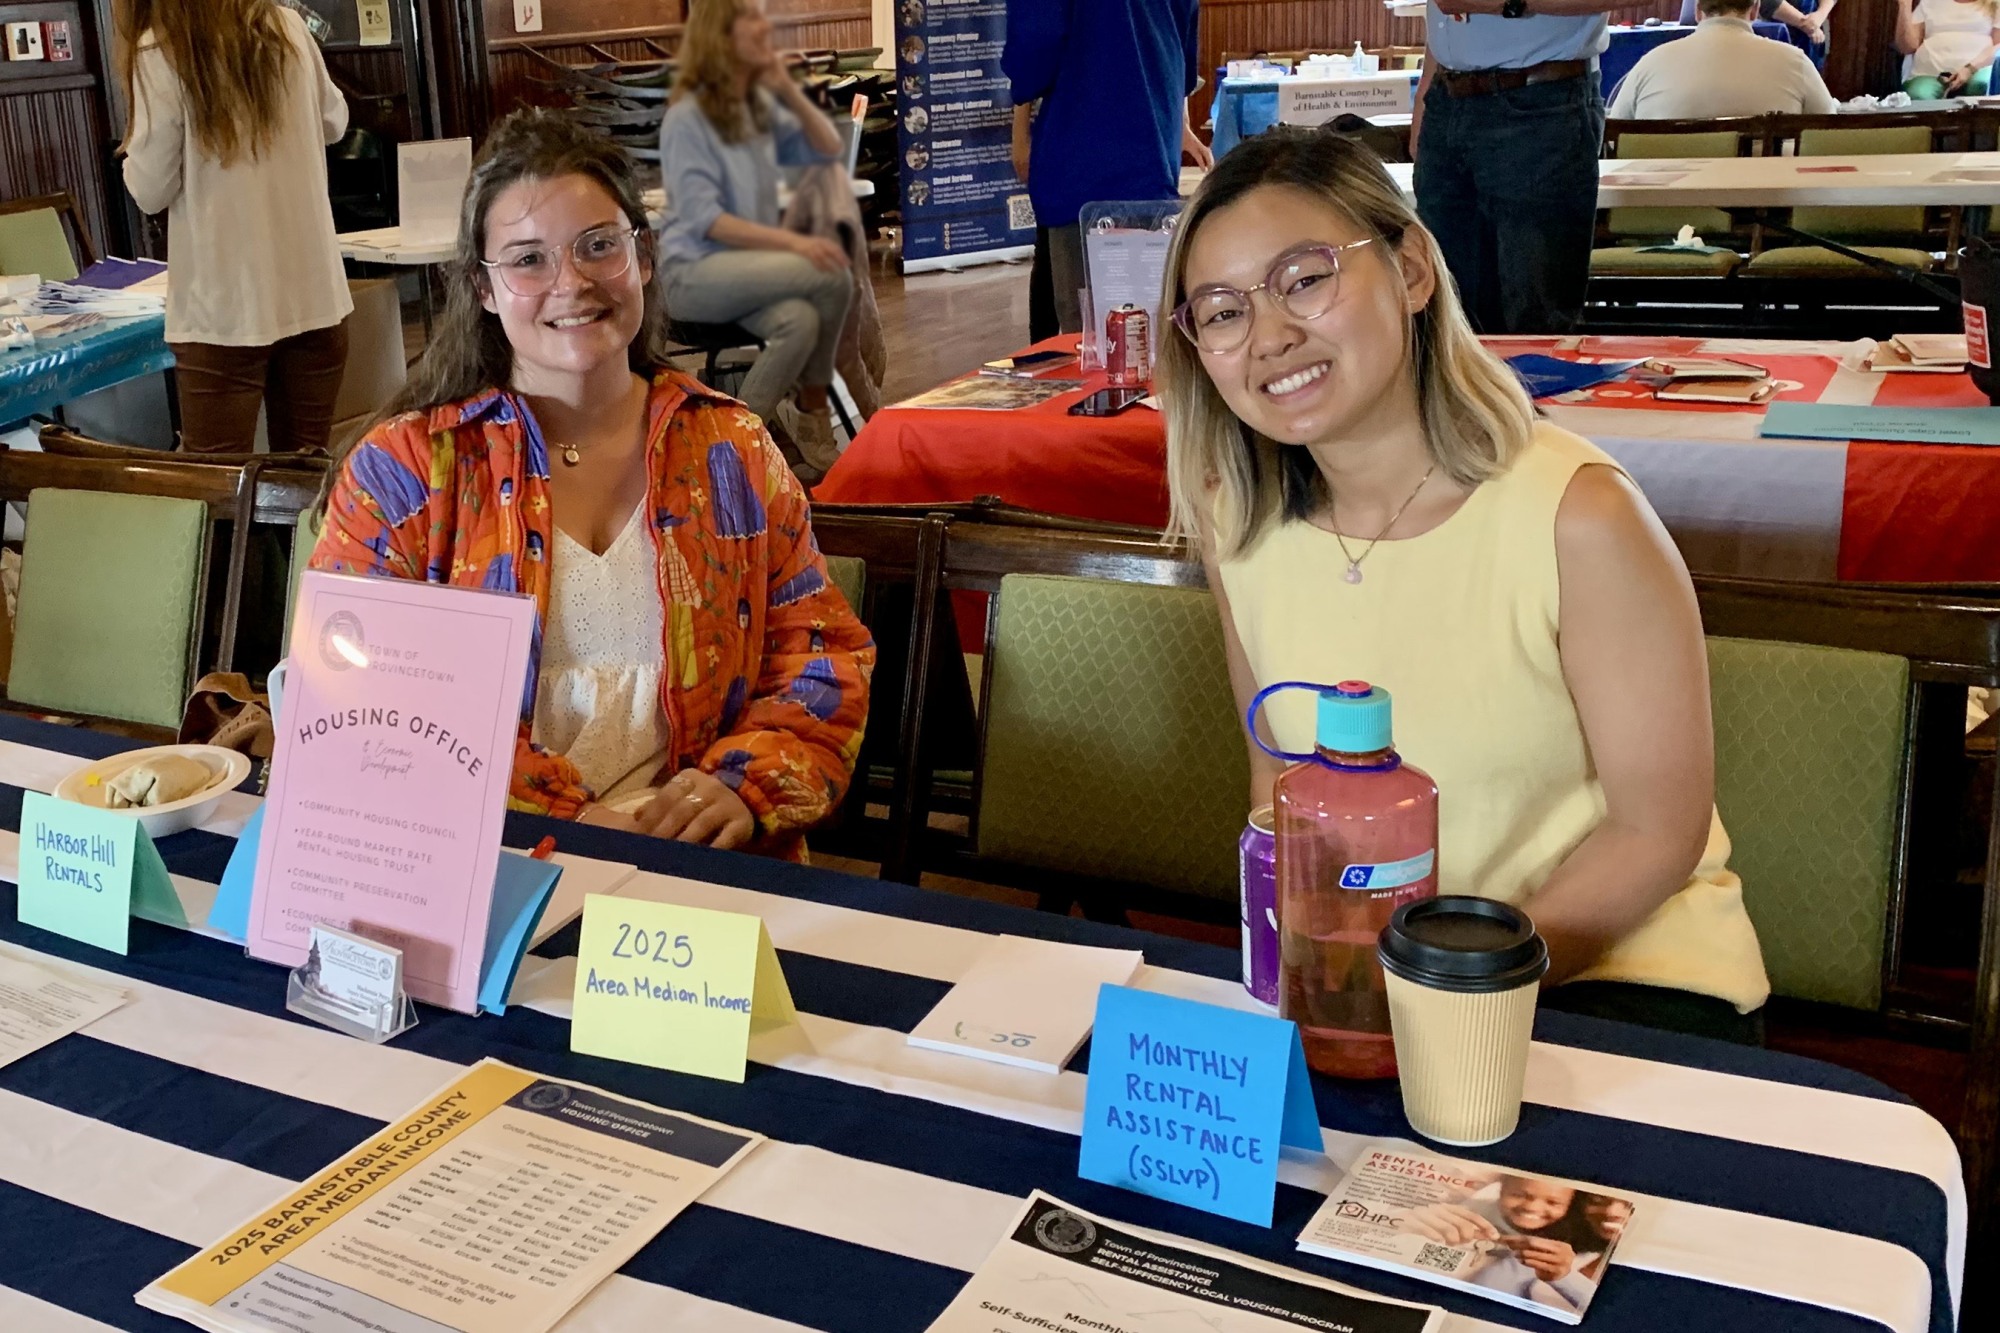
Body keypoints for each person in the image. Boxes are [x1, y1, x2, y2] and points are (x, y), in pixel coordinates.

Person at [1158, 129, 1770, 1042]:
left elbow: (1655, 835)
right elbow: (1281, 790)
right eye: (1221, 311)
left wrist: (1451, 988)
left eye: (1305, 278)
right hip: (1377, 1001)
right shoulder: (1236, 523)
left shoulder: (1580, 517)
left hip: (1613, 980)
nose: (1271, 336)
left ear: (1409, 269)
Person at [310, 110, 875, 862]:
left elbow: (821, 653)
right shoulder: (407, 471)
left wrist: (743, 784)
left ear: (642, 257)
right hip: (489, 877)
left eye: (598, 246)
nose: (571, 283)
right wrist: (564, 823)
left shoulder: (732, 448)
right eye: (528, 260)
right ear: (482, 288)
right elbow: (364, 705)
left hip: (706, 882)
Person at [118, 0, 352, 454]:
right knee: (303, 488)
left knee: (220, 494)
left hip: (220, 312)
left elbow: (150, 188)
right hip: (315, 297)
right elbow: (334, 121)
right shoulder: (287, 26)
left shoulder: (161, 50)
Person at [658, 0, 852, 478]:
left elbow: (828, 145)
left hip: (745, 273)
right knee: (831, 275)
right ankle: (809, 413)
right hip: (691, 276)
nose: (763, 28)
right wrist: (795, 247)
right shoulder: (688, 118)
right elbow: (708, 220)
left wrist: (786, 84)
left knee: (800, 322)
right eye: (751, 19)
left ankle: (732, 444)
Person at [1414, 0, 1634, 334]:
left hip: (1540, 101)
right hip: (1450, 99)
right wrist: (1427, 96)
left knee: (1535, 313)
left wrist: (1509, 3)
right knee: (1449, 315)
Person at [1003, 0, 1211, 336]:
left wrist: (1020, 126)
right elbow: (1183, 44)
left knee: (1089, 337)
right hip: (1153, 154)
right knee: (1151, 331)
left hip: (1080, 160)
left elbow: (1033, 46)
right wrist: (1177, 123)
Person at [1610, 0, 1837, 119]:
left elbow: (1615, 133)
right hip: (1766, 201)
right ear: (1755, 9)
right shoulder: (1795, 62)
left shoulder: (1650, 63)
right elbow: (1825, 133)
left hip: (1662, 205)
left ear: (1697, 12)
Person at [1897, 0, 2000, 99]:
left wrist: (1970, 69)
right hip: (1929, 74)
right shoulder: (1929, 2)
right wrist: (1904, 5)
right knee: (1919, 94)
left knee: (1982, 84)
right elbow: (1907, 47)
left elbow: (1998, 47)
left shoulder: (1995, 4)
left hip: (1977, 71)